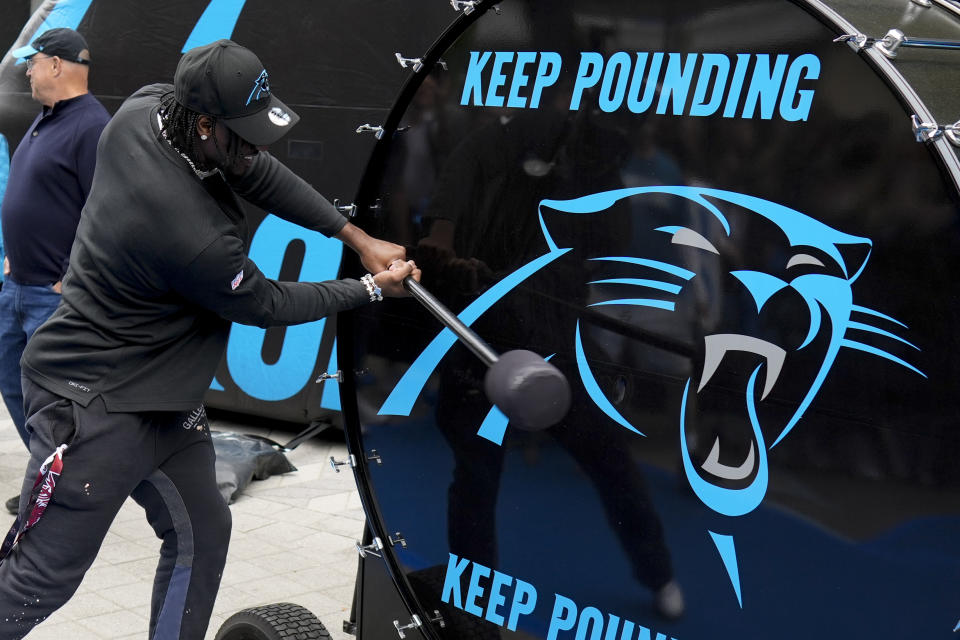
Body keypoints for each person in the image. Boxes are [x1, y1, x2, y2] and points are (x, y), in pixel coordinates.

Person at [0, 39, 419, 640]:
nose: (256, 147)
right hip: (91, 406)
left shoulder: (147, 109)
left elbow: (257, 170)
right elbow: (266, 303)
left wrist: (355, 237)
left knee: (202, 531)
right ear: (202, 124)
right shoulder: (186, 229)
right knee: (38, 583)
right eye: (242, 134)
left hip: (164, 402)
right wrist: (371, 289)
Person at [0, 28, 110, 514]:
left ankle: (64, 493)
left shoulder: (91, 126)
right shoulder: (45, 120)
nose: (27, 70)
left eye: (33, 61)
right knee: (11, 384)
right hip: (16, 283)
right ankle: (47, 479)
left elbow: (102, 209)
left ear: (58, 65)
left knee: (51, 402)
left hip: (53, 294)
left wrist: (71, 273)